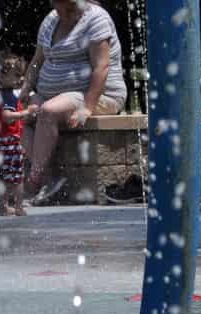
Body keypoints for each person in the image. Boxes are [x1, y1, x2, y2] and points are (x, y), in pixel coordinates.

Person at [19, 0, 128, 205]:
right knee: (18, 115)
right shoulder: (50, 21)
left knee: (48, 111)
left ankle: (34, 181)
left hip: (99, 95)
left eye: (72, 7)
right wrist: (26, 87)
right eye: (63, 8)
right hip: (55, 94)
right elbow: (37, 61)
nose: (68, 13)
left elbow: (101, 66)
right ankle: (49, 179)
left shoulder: (96, 19)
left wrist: (87, 107)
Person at [0, 51, 28, 217]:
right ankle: (19, 207)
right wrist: (26, 113)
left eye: (21, 75)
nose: (20, 79)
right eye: (16, 75)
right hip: (10, 142)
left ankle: (2, 206)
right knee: (17, 176)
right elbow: (8, 117)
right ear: (1, 77)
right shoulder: (8, 96)